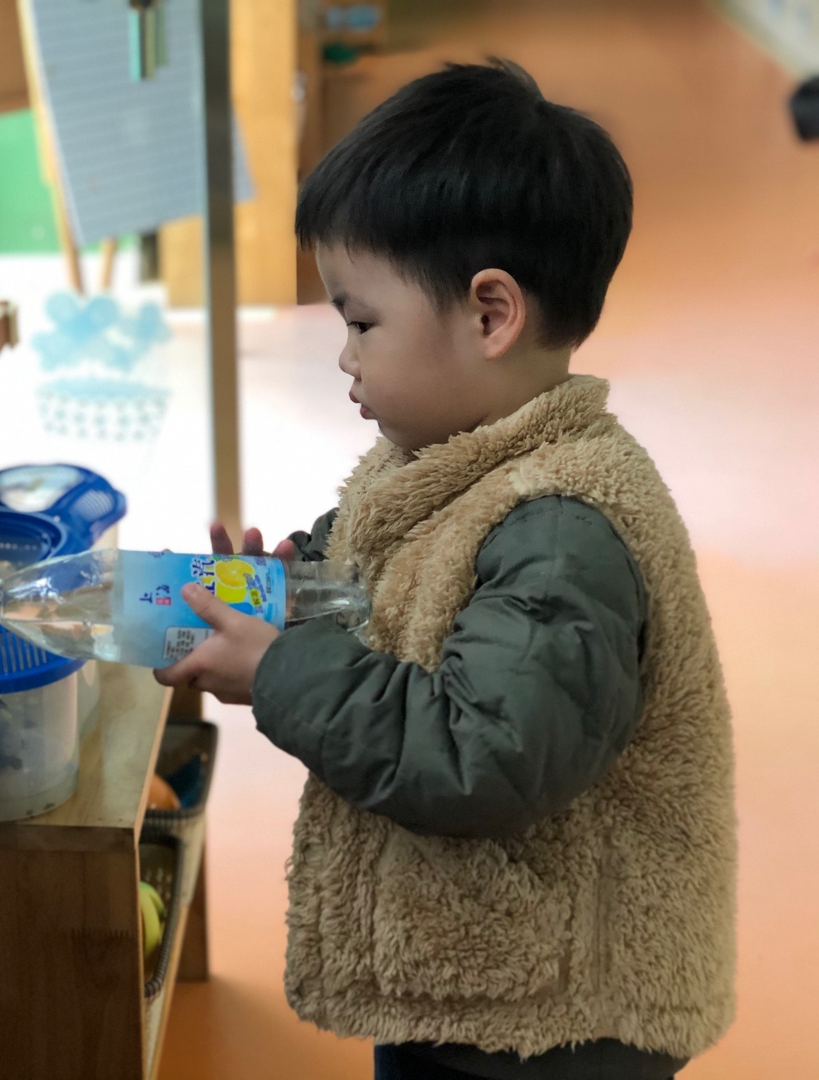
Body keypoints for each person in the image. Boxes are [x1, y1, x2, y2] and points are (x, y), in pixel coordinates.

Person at [155, 60, 736, 1080]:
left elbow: (485, 756)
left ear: (490, 314)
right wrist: (289, 597)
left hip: (556, 1024)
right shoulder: (444, 458)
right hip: (473, 981)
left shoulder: (564, 529)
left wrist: (283, 669)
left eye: (361, 321)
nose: (344, 356)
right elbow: (380, 574)